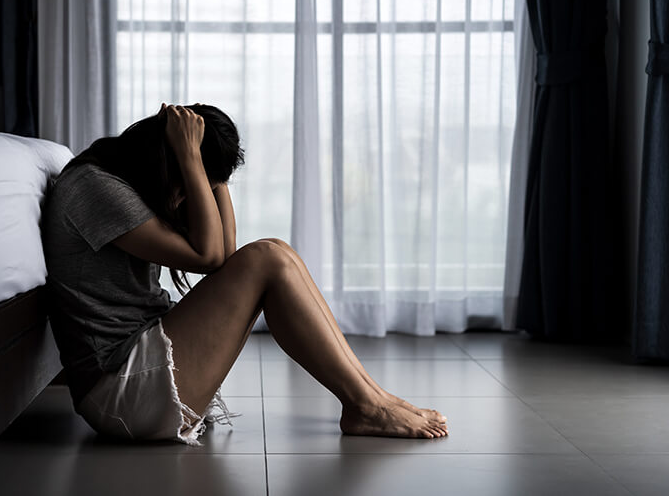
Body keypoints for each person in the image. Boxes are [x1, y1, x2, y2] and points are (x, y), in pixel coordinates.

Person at [41, 103, 449, 446]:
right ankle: (367, 405)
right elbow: (211, 255)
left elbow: (225, 255)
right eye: (192, 178)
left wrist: (206, 166)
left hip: (136, 370)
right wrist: (191, 157)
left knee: (275, 253)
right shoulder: (97, 189)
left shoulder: (121, 181)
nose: (186, 193)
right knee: (267, 257)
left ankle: (372, 398)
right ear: (171, 160)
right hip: (118, 393)